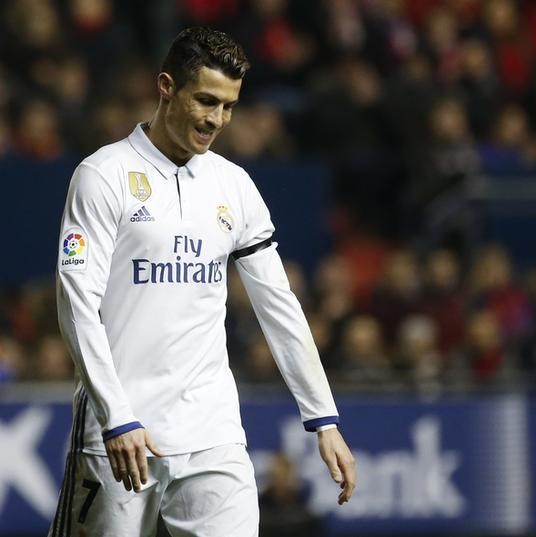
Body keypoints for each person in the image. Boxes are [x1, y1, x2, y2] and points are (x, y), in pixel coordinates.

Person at [49, 27, 356, 537]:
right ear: (166, 86)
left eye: (229, 106)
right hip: (121, 433)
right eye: (206, 100)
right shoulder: (102, 176)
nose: (216, 119)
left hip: (213, 434)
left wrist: (323, 418)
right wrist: (117, 416)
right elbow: (76, 302)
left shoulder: (233, 185)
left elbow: (278, 305)